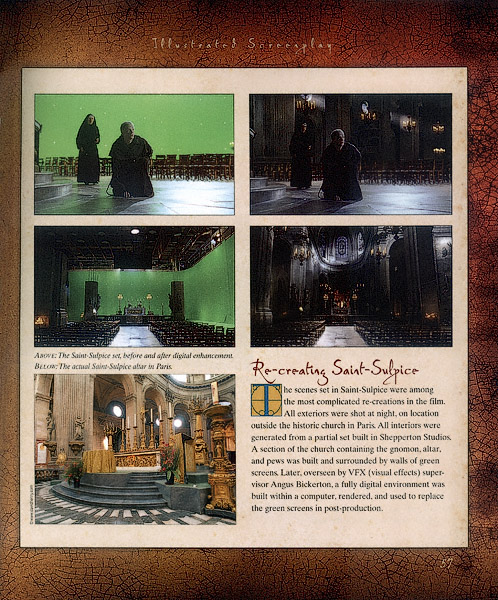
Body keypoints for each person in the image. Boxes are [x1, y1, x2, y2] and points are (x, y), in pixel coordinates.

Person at [109, 121, 154, 198]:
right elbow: (115, 167)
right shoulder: (117, 145)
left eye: (133, 130)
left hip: (138, 172)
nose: (132, 132)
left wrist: (146, 161)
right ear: (123, 132)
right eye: (129, 130)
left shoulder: (141, 141)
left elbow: (149, 153)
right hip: (124, 172)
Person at [321, 129, 362, 202]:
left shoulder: (350, 148)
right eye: (339, 138)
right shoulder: (328, 151)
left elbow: (358, 158)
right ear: (333, 140)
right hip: (334, 175)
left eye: (343, 137)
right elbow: (326, 166)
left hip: (347, 174)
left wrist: (350, 167)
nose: (342, 139)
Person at [76, 114, 100, 184]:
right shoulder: (83, 128)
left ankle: (94, 179)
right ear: (87, 119)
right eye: (89, 118)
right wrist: (80, 147)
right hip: (85, 150)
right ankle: (85, 180)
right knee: (85, 165)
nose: (91, 120)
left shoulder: (95, 128)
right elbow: (78, 138)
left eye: (92, 118)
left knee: (93, 164)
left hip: (93, 150)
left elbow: (98, 137)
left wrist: (98, 140)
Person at [289, 122, 313, 189]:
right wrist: (294, 153)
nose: (304, 128)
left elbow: (310, 145)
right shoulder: (296, 135)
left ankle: (307, 184)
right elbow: (293, 144)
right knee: (299, 170)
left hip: (305, 155)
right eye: (303, 126)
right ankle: (299, 184)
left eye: (305, 126)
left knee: (306, 170)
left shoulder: (308, 135)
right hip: (299, 155)